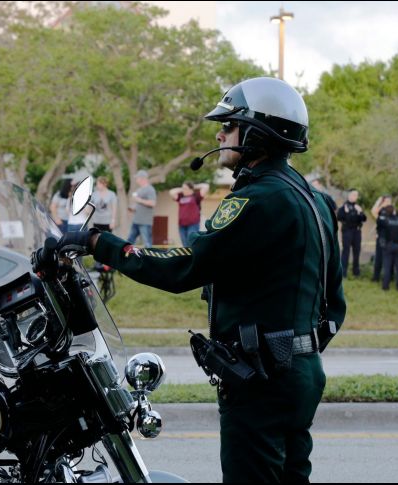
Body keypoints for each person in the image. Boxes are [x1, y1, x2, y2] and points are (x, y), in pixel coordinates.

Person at [56, 77, 345, 482]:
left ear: (255, 133)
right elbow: (336, 302)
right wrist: (297, 350)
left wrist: (97, 242)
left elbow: (185, 266)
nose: (220, 133)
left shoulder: (257, 199)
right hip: (302, 373)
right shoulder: (315, 199)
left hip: (262, 380)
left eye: (228, 125)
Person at [169, 181, 210, 247]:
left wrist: (194, 186)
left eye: (185, 188)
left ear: (190, 189)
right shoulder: (180, 197)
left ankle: (193, 256)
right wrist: (182, 188)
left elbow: (206, 186)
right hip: (182, 225)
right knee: (185, 244)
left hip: (193, 224)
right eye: (182, 188)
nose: (183, 190)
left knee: (191, 243)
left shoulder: (196, 196)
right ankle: (187, 257)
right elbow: (171, 192)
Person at [336, 189, 367, 278]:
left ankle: (356, 272)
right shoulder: (343, 207)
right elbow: (339, 217)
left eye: (356, 195)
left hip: (357, 231)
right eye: (353, 195)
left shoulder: (358, 207)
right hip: (347, 231)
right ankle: (343, 272)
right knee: (346, 251)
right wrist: (347, 213)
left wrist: (360, 212)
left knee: (356, 251)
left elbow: (364, 219)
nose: (355, 197)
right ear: (349, 195)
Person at [379, 205, 398, 291]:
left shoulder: (384, 221)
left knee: (387, 267)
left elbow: (380, 234)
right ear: (394, 211)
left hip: (388, 245)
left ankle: (385, 286)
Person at [126, 170, 156, 248]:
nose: (136, 180)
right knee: (129, 241)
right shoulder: (139, 190)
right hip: (136, 220)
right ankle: (126, 258)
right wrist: (132, 209)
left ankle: (150, 259)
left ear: (142, 178)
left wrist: (139, 200)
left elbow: (153, 203)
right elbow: (138, 204)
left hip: (145, 222)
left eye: (137, 178)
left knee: (147, 244)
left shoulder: (150, 189)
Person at [371, 195, 393, 282]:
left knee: (389, 258)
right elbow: (373, 212)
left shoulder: (392, 210)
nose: (388, 202)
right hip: (381, 237)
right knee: (378, 257)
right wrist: (379, 203)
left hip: (390, 238)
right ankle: (376, 277)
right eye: (386, 201)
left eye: (389, 201)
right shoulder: (381, 210)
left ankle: (390, 276)